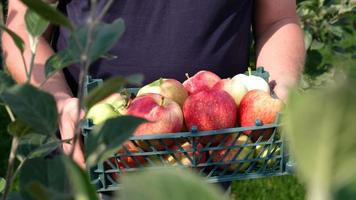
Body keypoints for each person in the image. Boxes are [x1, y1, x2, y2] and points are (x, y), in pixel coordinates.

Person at [2, 0, 305, 194]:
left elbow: (277, 20)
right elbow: (23, 29)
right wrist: (58, 103)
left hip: (207, 165)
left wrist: (279, 92)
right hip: (89, 167)